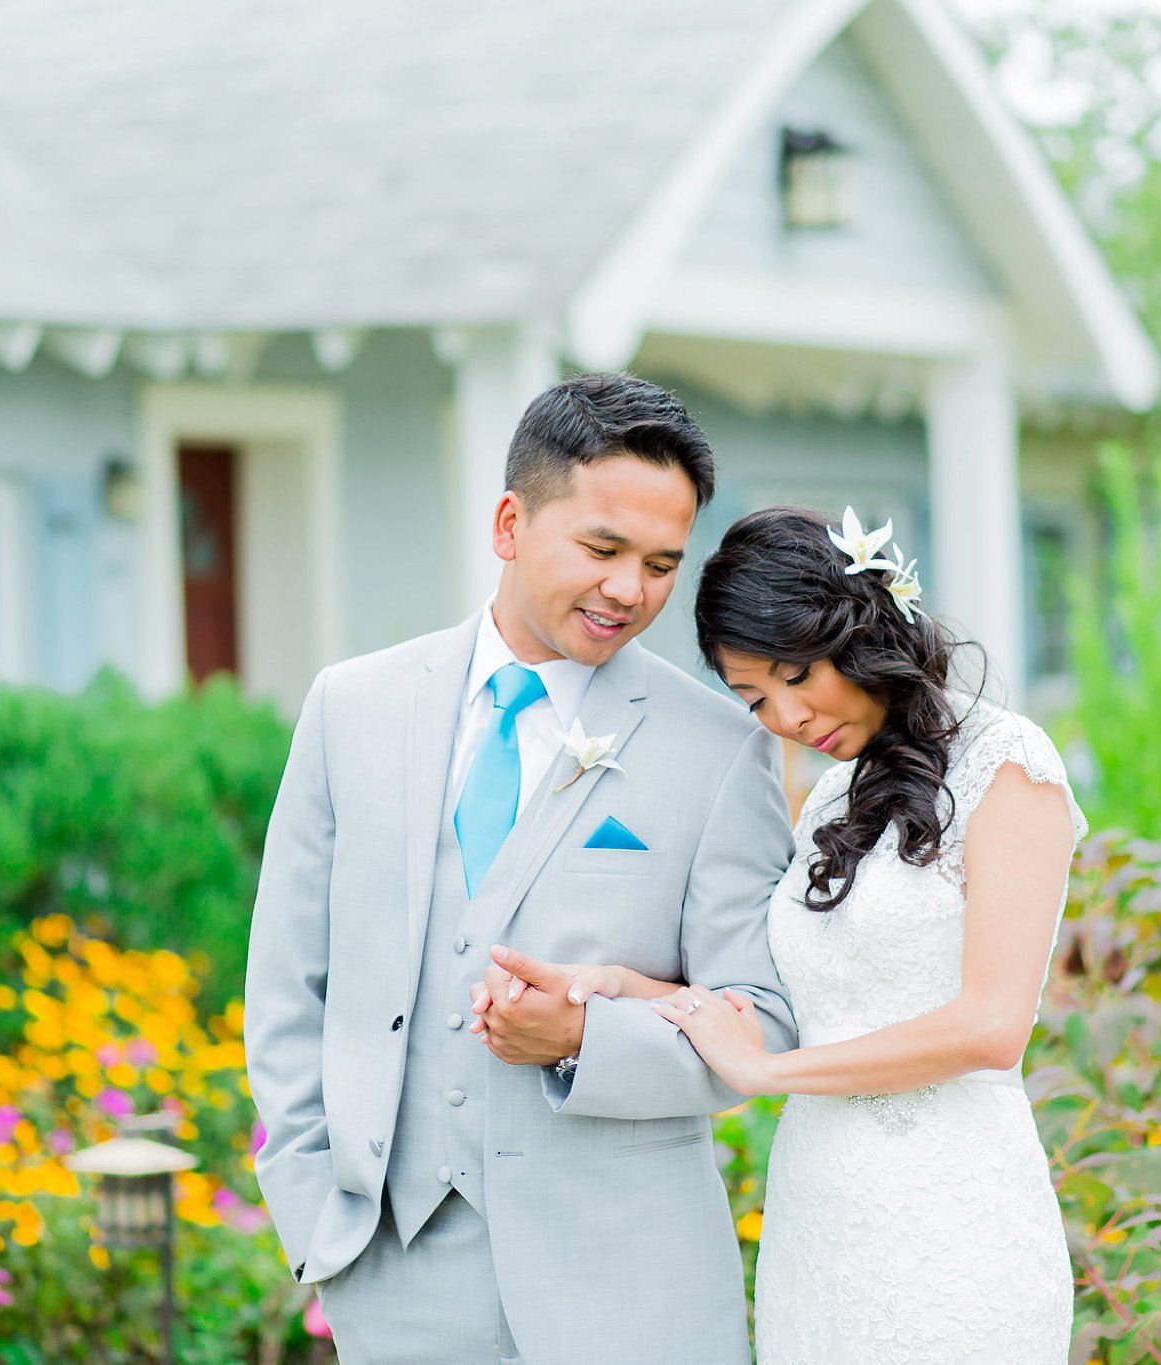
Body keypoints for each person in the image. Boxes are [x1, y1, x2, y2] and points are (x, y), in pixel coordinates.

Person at [243, 373, 797, 1364]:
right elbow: (289, 981)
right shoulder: (350, 708)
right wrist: (311, 1207)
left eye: (661, 563)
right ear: (508, 522)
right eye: (601, 549)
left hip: (631, 1287)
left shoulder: (721, 749)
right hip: (394, 1279)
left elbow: (761, 1019)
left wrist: (584, 1036)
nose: (631, 589)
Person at [506, 504, 1085, 1361]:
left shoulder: (1010, 764)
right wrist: (632, 990)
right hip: (821, 1228)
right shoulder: (831, 798)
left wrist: (770, 1072)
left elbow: (991, 1027)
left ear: (854, 627)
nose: (784, 716)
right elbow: (806, 996)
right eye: (753, 698)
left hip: (953, 1227)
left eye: (792, 673)